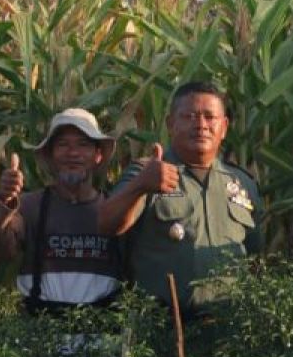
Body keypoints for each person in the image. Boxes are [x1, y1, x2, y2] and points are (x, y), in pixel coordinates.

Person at [98, 81, 262, 312]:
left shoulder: (242, 183)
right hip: (162, 329)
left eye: (209, 117)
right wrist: (140, 186)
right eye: (189, 116)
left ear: (224, 127)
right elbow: (106, 223)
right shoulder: (147, 171)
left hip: (229, 330)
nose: (201, 125)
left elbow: (254, 257)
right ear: (170, 124)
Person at [0, 108, 122, 313]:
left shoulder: (116, 209)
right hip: (41, 336)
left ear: (98, 156)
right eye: (63, 145)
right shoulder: (29, 206)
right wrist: (5, 203)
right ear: (50, 156)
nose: (73, 153)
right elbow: (0, 254)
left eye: (83, 144)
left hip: (103, 338)